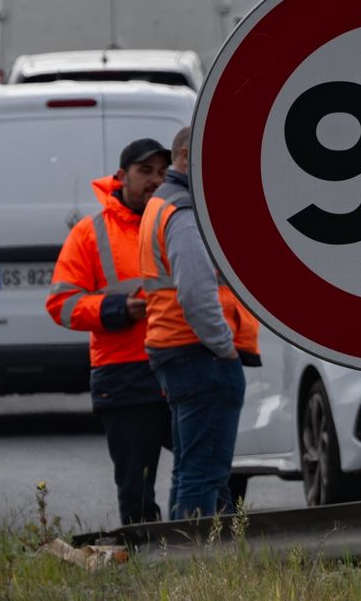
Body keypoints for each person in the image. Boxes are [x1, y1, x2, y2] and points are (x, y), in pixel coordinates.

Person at [137, 125, 261, 520]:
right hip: (201, 353)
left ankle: (184, 560)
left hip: (179, 349)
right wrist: (223, 346)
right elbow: (194, 290)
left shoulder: (162, 202)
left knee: (191, 470)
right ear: (187, 156)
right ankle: (194, 567)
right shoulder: (183, 209)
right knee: (204, 475)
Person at [46, 138, 171, 526]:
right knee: (137, 485)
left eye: (162, 172)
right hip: (124, 372)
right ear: (121, 176)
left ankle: (203, 554)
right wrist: (118, 309)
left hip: (179, 362)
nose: (155, 180)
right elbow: (61, 304)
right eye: (145, 171)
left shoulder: (177, 221)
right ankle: (145, 560)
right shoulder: (90, 233)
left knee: (209, 468)